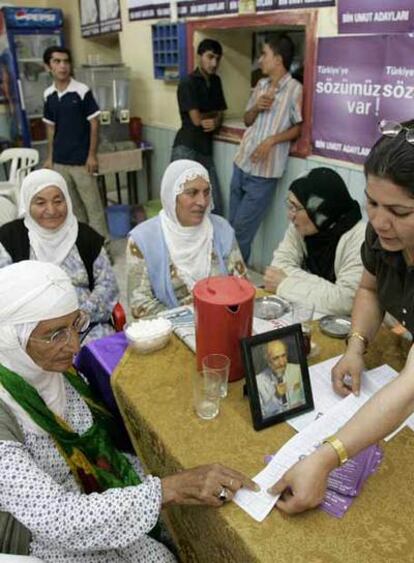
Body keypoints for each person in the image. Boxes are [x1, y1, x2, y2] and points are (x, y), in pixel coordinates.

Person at [0, 261, 259, 560]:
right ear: (11, 337)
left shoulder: (44, 368)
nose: (73, 346)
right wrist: (168, 489)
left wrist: (168, 486)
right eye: (55, 334)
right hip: (44, 532)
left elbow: (94, 443)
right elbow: (57, 518)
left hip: (91, 483)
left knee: (187, 503)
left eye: (75, 325)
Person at [268, 119, 414, 514]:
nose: (380, 222)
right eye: (372, 203)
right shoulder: (381, 238)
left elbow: (407, 393)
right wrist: (356, 348)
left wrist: (323, 458)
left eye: (399, 211)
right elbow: (369, 289)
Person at [0, 169, 118, 342]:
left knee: (105, 358)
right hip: (28, 333)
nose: (51, 210)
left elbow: (108, 285)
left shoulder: (87, 237)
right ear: (26, 204)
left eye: (58, 201)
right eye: (40, 203)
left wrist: (83, 313)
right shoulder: (9, 238)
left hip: (84, 327)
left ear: (67, 201)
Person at [127, 160, 246, 319]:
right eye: (192, 193)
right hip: (169, 332)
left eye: (206, 192)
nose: (202, 202)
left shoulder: (222, 230)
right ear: (172, 196)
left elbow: (242, 286)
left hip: (221, 322)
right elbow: (139, 305)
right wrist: (192, 321)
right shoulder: (143, 240)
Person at [229, 33, 303, 263]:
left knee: (241, 234)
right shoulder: (260, 85)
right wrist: (256, 108)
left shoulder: (295, 89)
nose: (260, 60)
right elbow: (247, 120)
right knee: (230, 228)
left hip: (264, 174)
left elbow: (297, 128)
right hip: (241, 164)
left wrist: (271, 141)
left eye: (264, 54)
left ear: (278, 59)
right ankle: (226, 281)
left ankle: (234, 286)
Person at [264, 167, 365, 315]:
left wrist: (285, 284)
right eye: (289, 205)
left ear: (320, 210)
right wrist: (327, 293)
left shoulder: (360, 239)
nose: (290, 216)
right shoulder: (300, 227)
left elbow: (345, 302)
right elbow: (277, 268)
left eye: (296, 208)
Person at [42, 46, 108, 239]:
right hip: (60, 162)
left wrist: (92, 155)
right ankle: (84, 247)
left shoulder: (81, 91)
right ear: (48, 67)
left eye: (66, 61)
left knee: (94, 208)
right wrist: (50, 158)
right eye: (57, 61)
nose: (63, 66)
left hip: (82, 162)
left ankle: (103, 251)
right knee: (73, 209)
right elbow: (51, 128)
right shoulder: (48, 95)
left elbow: (94, 124)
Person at [171, 39, 227, 216]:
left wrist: (216, 121)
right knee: (182, 203)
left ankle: (210, 243)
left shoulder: (216, 81)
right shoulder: (188, 82)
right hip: (186, 148)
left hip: (205, 149)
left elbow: (221, 112)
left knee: (215, 205)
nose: (214, 63)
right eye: (210, 57)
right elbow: (196, 119)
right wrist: (214, 116)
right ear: (199, 57)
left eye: (217, 59)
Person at [256, 340, 304, 418]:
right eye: (276, 358)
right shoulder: (258, 382)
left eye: (283, 356)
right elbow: (262, 415)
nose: (282, 363)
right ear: (268, 361)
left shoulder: (298, 370)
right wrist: (276, 396)